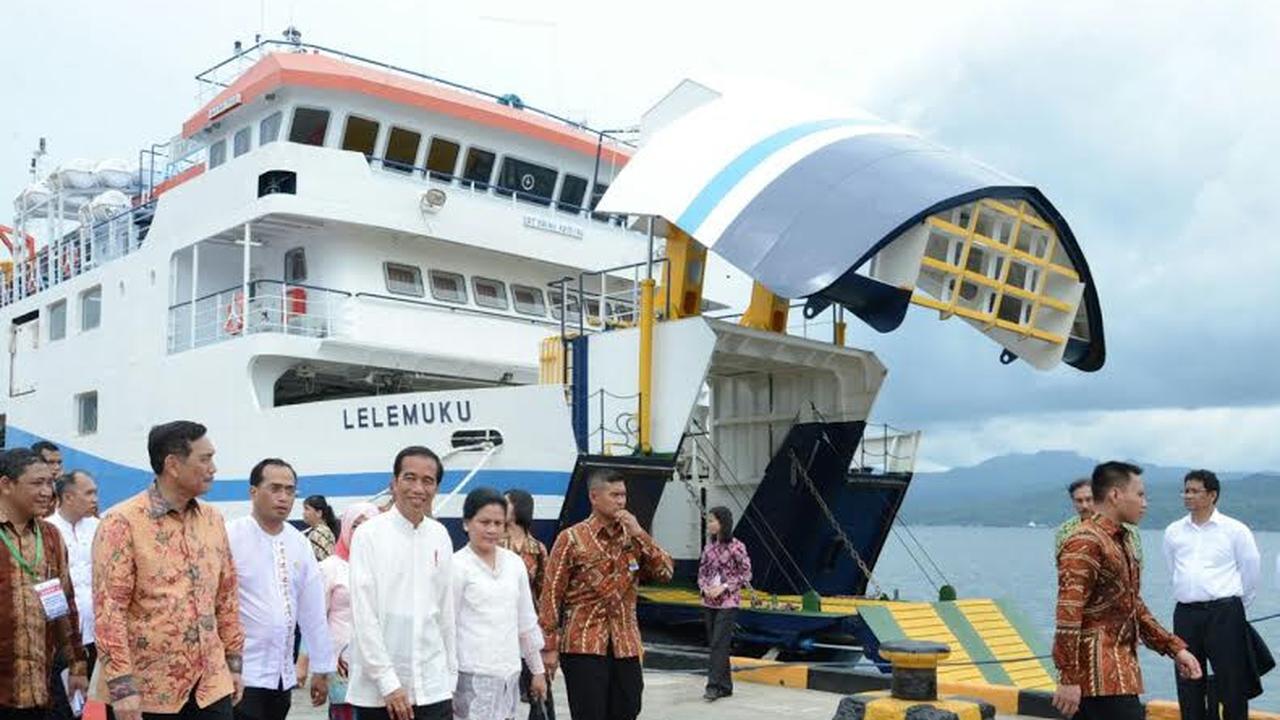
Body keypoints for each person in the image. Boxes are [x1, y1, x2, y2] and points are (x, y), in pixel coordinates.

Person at [92, 421, 245, 720]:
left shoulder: (213, 520)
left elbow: (226, 596)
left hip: (211, 688)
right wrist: (122, 688)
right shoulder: (121, 522)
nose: (213, 467)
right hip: (147, 693)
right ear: (173, 465)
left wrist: (234, 663)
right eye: (205, 458)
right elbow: (109, 611)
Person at [1052, 461, 1201, 720]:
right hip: (1094, 680)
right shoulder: (1084, 541)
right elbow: (1068, 613)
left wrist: (1175, 649)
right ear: (1115, 495)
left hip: (1120, 675)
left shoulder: (1120, 540)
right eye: (1140, 494)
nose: (1145, 503)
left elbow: (1132, 605)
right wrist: (1068, 678)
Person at [539, 469, 673, 720]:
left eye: (623, 495)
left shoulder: (633, 537)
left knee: (629, 708)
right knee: (590, 713)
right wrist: (549, 646)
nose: (621, 501)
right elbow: (551, 593)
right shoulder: (571, 539)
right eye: (614, 495)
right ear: (594, 497)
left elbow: (665, 572)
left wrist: (640, 534)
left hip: (626, 644)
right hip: (583, 645)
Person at [347, 446, 456, 720]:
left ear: (436, 488)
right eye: (410, 478)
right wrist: (388, 682)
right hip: (379, 693)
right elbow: (364, 615)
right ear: (394, 483)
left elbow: (445, 612)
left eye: (427, 481)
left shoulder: (440, 535)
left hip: (433, 686)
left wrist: (450, 677)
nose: (418, 488)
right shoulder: (369, 535)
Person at [227, 459, 336, 720]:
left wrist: (321, 669)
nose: (283, 497)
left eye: (289, 490)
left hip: (281, 677)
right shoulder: (229, 536)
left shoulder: (299, 543)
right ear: (253, 492)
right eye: (275, 489)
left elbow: (313, 613)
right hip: (239, 675)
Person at [1162, 469, 1261, 720]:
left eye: (1195, 491)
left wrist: (1235, 606)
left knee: (1232, 683)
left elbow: (1250, 571)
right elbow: (1172, 569)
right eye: (1185, 490)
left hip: (1225, 612)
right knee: (1188, 681)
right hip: (1186, 613)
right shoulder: (1174, 531)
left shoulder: (1235, 530)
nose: (1188, 496)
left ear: (1212, 495)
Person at [0, 448, 89, 719]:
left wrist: (76, 665)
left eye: (50, 483)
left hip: (43, 688)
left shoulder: (50, 536)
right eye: (37, 483)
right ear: (6, 485)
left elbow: (63, 604)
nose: (48, 492)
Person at [452, 488, 547, 720]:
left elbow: (526, 621)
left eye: (498, 523)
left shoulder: (514, 564)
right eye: (484, 522)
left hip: (508, 674)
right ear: (466, 523)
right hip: (470, 675)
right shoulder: (456, 566)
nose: (492, 529)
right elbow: (447, 626)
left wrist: (537, 670)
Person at [301, 502, 381, 720]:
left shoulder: (387, 568)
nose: (363, 532)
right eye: (356, 525)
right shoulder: (330, 568)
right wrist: (310, 666)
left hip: (380, 664)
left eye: (370, 525)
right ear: (346, 528)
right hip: (341, 665)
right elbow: (315, 619)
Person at [47, 470, 100, 720]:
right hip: (63, 639)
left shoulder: (101, 528)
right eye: (89, 493)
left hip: (99, 637)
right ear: (68, 497)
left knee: (100, 706)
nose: (95, 499)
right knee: (64, 706)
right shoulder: (48, 531)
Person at [501, 489, 553, 720]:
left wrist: (550, 642)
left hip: (528, 627)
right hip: (500, 629)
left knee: (539, 693)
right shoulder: (495, 543)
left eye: (506, 503)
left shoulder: (538, 549)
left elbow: (545, 594)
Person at [697, 506, 751, 702]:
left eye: (712, 520)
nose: (709, 524)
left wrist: (725, 587)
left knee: (718, 643)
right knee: (716, 643)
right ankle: (725, 686)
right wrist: (705, 588)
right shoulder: (708, 548)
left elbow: (746, 573)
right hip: (709, 601)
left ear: (723, 523)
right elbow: (702, 572)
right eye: (709, 520)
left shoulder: (737, 547)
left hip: (728, 602)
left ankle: (712, 686)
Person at [1054, 478, 1143, 567]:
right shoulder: (1066, 531)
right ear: (1073, 502)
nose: (1084, 506)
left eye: (1089, 499)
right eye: (1079, 501)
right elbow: (1062, 566)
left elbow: (1137, 565)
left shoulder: (1127, 529)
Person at [303, 495, 340, 562]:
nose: (304, 513)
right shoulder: (325, 531)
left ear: (319, 513)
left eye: (307, 509)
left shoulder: (318, 533)